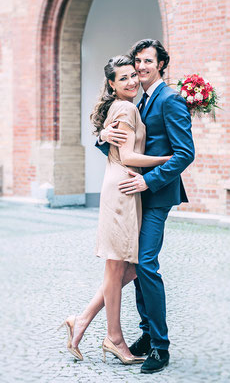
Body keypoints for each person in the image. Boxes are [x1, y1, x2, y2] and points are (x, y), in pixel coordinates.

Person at [58, 54, 171, 365]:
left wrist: (103, 135)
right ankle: (114, 338)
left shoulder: (124, 105)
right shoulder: (126, 106)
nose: (132, 81)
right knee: (118, 267)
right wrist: (166, 160)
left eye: (133, 75)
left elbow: (118, 148)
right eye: (123, 78)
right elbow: (130, 156)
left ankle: (80, 321)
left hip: (122, 186)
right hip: (124, 188)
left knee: (127, 268)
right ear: (111, 84)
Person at [98, 39, 195, 373]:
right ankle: (146, 333)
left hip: (155, 194)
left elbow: (185, 153)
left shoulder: (170, 99)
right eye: (137, 61)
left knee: (147, 265)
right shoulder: (139, 100)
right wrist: (102, 138)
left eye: (147, 61)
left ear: (162, 64)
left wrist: (148, 181)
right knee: (136, 265)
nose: (140, 67)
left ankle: (160, 347)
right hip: (136, 196)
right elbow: (124, 145)